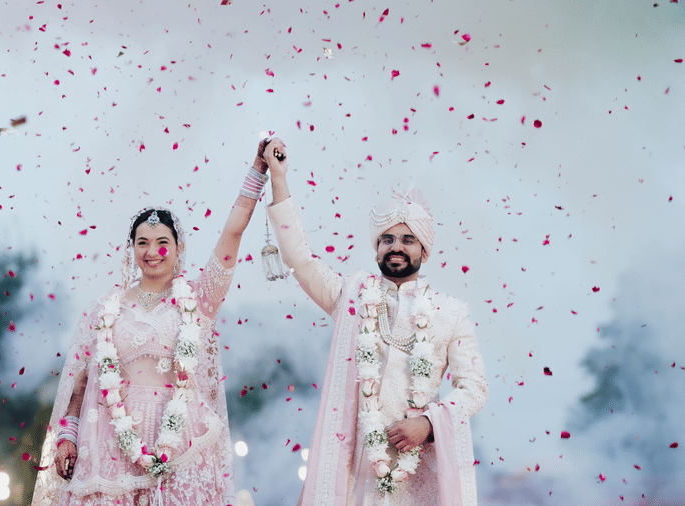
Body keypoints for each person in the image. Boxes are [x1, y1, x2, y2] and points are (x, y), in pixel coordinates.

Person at [31, 140, 274, 506]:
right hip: (109, 438)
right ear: (132, 251)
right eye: (142, 242)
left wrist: (258, 171)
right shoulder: (105, 307)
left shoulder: (197, 301)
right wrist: (68, 433)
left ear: (178, 250)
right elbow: (82, 377)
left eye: (162, 242)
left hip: (179, 438)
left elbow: (232, 234)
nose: (151, 251)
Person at [260, 138, 488, 506]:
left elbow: (474, 387)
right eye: (387, 239)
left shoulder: (451, 313)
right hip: (349, 471)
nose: (396, 246)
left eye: (408, 239)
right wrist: (280, 177)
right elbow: (299, 260)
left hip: (415, 476)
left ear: (424, 250)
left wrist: (427, 425)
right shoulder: (350, 297)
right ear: (376, 248)